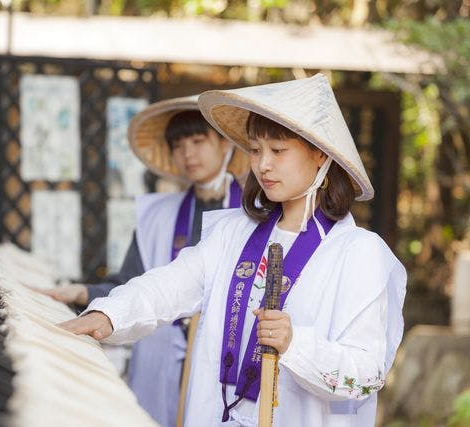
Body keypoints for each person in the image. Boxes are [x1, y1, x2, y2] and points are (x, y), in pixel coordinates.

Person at [58, 74, 407, 427]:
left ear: (319, 154)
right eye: (255, 150)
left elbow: (368, 373)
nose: (263, 164)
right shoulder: (232, 233)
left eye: (278, 150)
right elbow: (168, 285)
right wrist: (108, 315)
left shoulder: (359, 254)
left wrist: (296, 343)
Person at [40, 95, 250, 427]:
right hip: (159, 363)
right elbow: (129, 283)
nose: (188, 153)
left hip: (222, 363)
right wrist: (82, 292)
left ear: (225, 143)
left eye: (198, 141)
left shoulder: (254, 215)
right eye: (179, 144)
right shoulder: (156, 215)